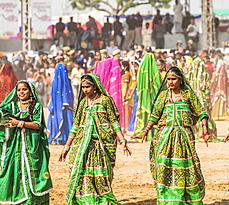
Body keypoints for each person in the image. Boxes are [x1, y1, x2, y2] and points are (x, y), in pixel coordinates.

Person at [134, 66, 209, 204]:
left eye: (173, 79)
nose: (170, 82)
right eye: (168, 79)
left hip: (184, 137)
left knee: (187, 168)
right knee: (163, 166)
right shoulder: (163, 96)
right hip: (164, 137)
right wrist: (145, 131)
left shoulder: (188, 95)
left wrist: (205, 132)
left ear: (180, 80)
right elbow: (155, 115)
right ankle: (166, 199)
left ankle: (187, 199)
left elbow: (201, 113)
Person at [59, 74, 131, 204]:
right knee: (81, 172)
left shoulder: (105, 101)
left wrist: (122, 141)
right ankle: (84, 198)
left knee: (101, 174)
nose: (85, 90)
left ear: (95, 86)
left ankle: (102, 196)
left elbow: (114, 123)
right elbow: (76, 126)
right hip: (82, 146)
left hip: (101, 145)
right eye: (83, 87)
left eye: (88, 87)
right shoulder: (82, 103)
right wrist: (66, 147)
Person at [0, 80, 53, 204]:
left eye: (24, 89)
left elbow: (37, 125)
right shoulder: (12, 106)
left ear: (30, 91)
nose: (21, 92)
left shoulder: (36, 106)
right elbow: (2, 113)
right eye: (19, 90)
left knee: (34, 170)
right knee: (16, 170)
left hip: (32, 145)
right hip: (16, 145)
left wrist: (18, 123)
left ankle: (34, 200)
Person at [134, 53, 161, 139]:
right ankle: (151, 133)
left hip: (143, 96)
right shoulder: (155, 72)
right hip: (152, 96)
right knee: (152, 114)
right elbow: (157, 84)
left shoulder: (141, 71)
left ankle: (142, 131)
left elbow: (138, 85)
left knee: (145, 113)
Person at [48, 63, 74, 145]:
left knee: (59, 119)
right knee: (67, 120)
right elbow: (69, 94)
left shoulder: (54, 81)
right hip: (66, 107)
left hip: (57, 106)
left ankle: (58, 138)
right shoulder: (67, 81)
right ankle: (66, 137)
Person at [211, 54, 229, 120]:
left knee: (219, 97)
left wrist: (213, 80)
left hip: (219, 84)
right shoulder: (222, 64)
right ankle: (219, 114)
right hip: (220, 84)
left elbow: (217, 73)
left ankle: (220, 114)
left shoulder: (220, 64)